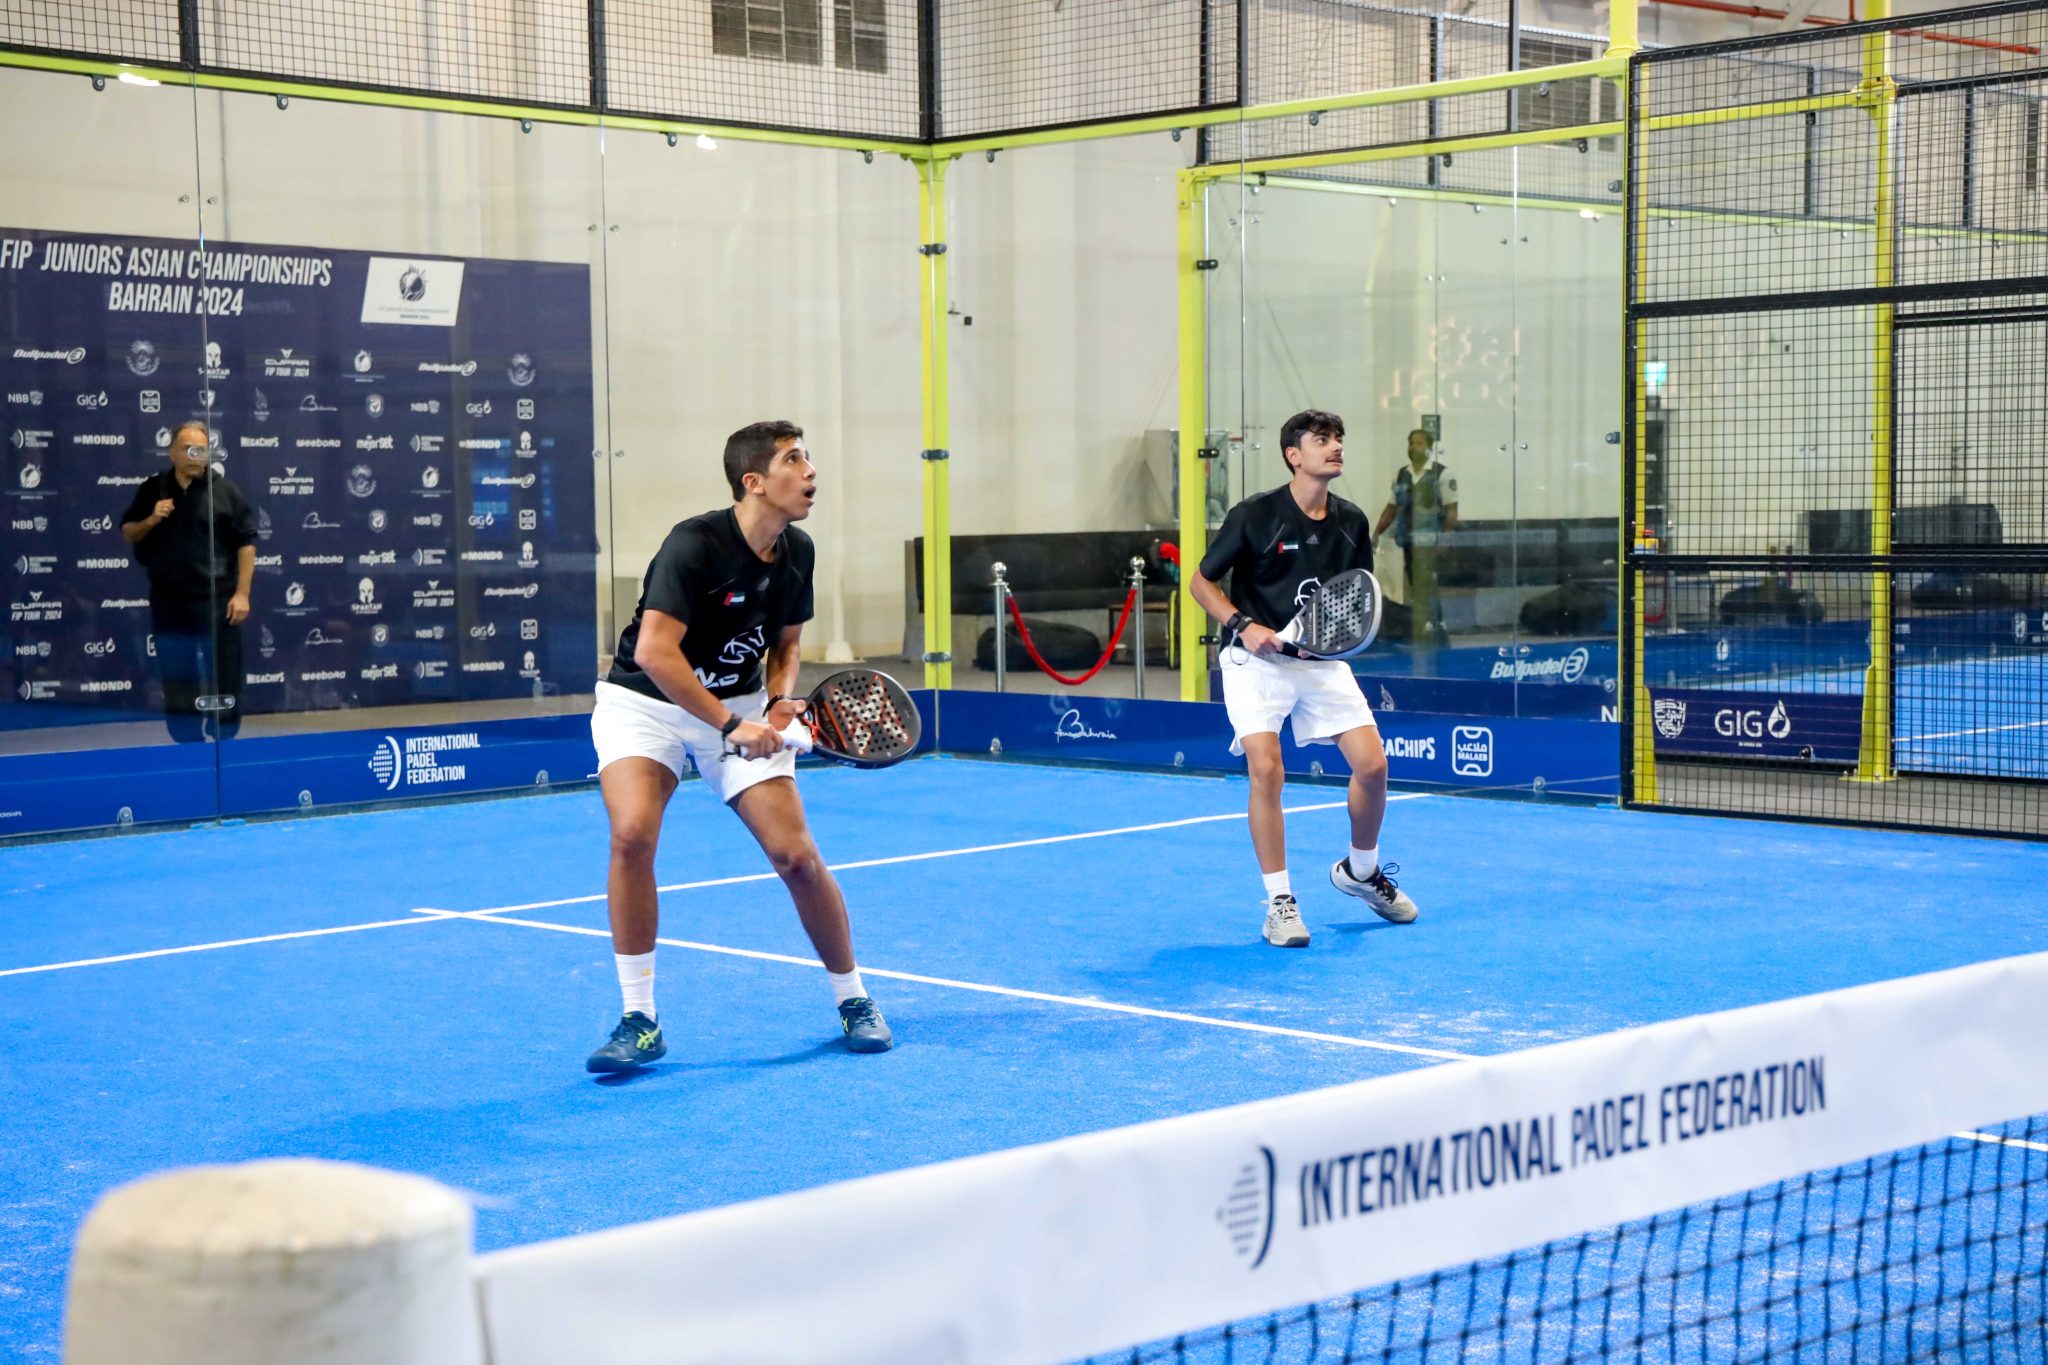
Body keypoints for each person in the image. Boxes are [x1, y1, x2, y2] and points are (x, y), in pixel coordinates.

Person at [584, 419, 891, 1072]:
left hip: (740, 706)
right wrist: (729, 725)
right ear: (754, 481)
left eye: (808, 457)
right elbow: (655, 651)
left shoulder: (798, 550)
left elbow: (786, 644)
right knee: (632, 835)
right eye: (794, 459)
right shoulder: (693, 544)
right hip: (645, 705)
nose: (810, 470)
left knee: (796, 857)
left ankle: (854, 998)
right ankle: (640, 1019)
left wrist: (778, 700)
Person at [1188, 409, 1420, 948]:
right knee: (1266, 769)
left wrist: (1327, 640)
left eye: (1338, 438)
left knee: (1373, 767)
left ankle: (1361, 872)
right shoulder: (1255, 515)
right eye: (1321, 440)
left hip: (1318, 662)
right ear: (1294, 455)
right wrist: (1243, 625)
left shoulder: (1352, 521)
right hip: (1254, 662)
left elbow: (1353, 594)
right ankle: (1279, 903)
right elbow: (1201, 583)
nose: (1335, 447)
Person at [119, 421, 257, 743]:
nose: (196, 456)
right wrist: (152, 519)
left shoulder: (226, 491)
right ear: (172, 453)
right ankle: (186, 740)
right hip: (169, 601)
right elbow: (129, 532)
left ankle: (224, 737)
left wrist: (242, 594)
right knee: (177, 674)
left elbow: (246, 543)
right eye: (188, 449)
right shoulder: (153, 488)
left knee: (224, 673)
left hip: (216, 600)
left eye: (202, 450)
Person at [1373, 428, 1458, 645]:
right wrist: (1376, 533)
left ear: (1429, 447)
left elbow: (1451, 511)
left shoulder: (1442, 475)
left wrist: (1446, 539)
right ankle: (1426, 634)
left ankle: (1439, 637)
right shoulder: (1402, 475)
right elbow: (1391, 508)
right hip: (1409, 544)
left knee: (1428, 589)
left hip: (1432, 545)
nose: (1414, 447)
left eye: (1419, 443)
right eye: (1411, 443)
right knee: (1417, 590)